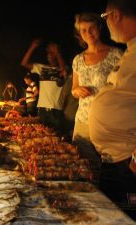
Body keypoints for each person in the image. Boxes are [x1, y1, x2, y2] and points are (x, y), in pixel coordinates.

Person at [89, 0, 136, 212]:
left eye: (104, 18)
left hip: (127, 165)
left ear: (114, 15)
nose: (106, 23)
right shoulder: (131, 49)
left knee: (124, 216)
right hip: (115, 162)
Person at [71, 12, 123, 184]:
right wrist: (77, 91)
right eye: (84, 30)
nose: (89, 33)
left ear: (100, 27)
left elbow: (126, 89)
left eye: (92, 28)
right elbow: (73, 89)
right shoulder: (78, 60)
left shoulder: (117, 54)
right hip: (83, 121)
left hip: (108, 122)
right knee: (84, 167)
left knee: (110, 169)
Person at [21, 39, 66, 134]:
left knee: (56, 137)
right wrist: (33, 46)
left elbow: (64, 72)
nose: (49, 54)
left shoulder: (64, 68)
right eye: (48, 52)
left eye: (52, 52)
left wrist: (57, 52)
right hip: (42, 109)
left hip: (56, 109)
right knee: (41, 135)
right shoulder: (42, 68)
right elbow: (24, 63)